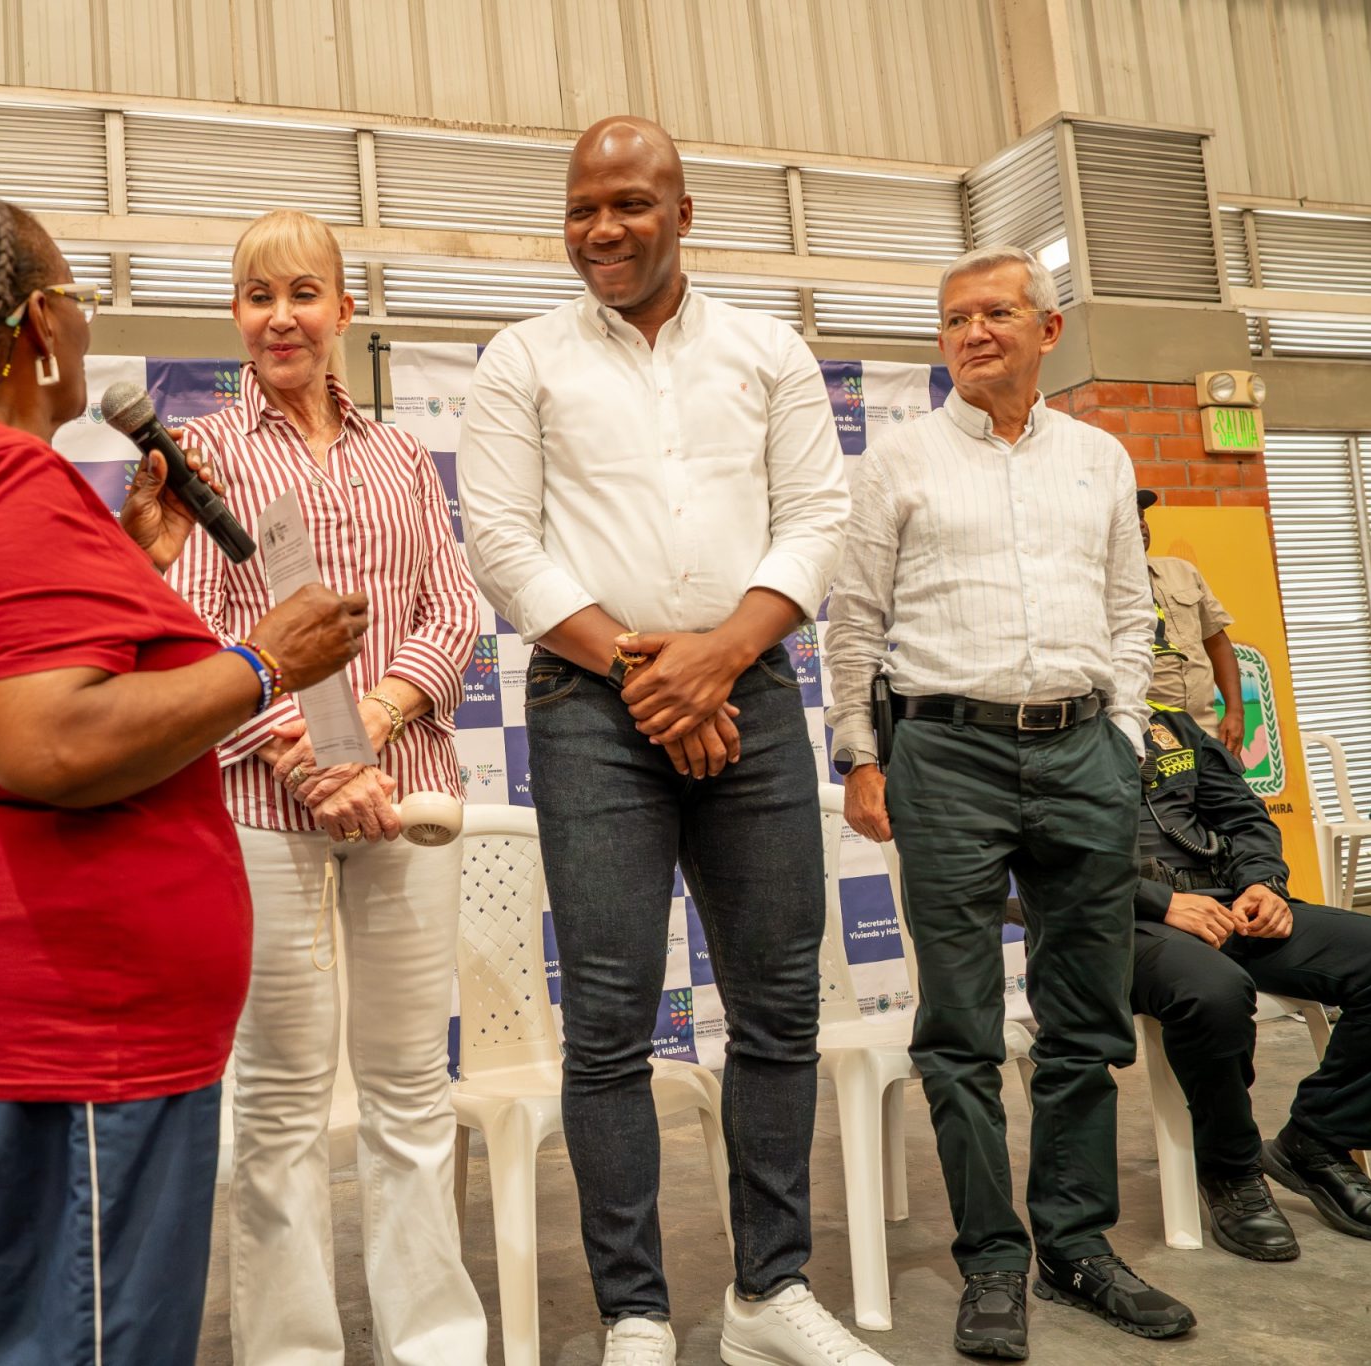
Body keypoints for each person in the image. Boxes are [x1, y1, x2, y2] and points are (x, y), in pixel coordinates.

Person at [0, 190, 369, 1366]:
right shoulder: (3, 477)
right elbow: (47, 742)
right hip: (60, 1017)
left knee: (22, 1329)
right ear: (35, 325)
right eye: (72, 299)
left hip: (8, 1002)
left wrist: (128, 564)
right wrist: (266, 658)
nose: (80, 325)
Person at [459, 116, 884, 1366]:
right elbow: (502, 542)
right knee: (603, 1022)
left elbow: (816, 519)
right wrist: (655, 671)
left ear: (683, 211)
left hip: (743, 690)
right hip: (593, 703)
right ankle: (636, 1314)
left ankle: (766, 1294)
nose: (602, 228)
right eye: (584, 205)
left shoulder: (767, 351)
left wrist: (717, 659)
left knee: (773, 1005)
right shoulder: (519, 359)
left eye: (631, 203)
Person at [825, 244, 1193, 1359]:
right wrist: (856, 752)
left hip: (1084, 750)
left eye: (994, 312)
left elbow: (1130, 611)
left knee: (1084, 1021)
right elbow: (851, 618)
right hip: (945, 755)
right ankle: (992, 1261)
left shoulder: (1096, 456)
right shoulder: (896, 461)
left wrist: (1123, 734)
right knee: (959, 1028)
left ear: (1049, 328)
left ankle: (1076, 1246)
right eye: (952, 319)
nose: (972, 331)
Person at [167, 207, 487, 1365]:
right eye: (257, 296)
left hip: (406, 801)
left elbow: (454, 610)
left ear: (344, 310)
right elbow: (194, 634)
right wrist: (309, 760)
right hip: (263, 808)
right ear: (236, 317)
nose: (280, 317)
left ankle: (434, 1340)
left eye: (303, 293)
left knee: (410, 1090)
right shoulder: (200, 455)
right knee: (281, 1109)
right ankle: (292, 1351)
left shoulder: (400, 454)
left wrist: (383, 722)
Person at [1129, 700, 1371, 1261]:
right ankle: (1231, 1169)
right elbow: (1040, 860)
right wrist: (1158, 902)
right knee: (1216, 991)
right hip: (1119, 923)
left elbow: (1243, 816)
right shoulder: (1032, 735)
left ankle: (1319, 1141)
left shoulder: (1170, 725)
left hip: (1225, 903)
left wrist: (1262, 882)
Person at [1139, 489, 1245, 750]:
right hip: (1150, 734)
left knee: (1235, 792)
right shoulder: (1102, 587)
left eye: (1142, 516)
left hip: (1206, 729)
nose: (1141, 523)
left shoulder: (1182, 571)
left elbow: (1217, 642)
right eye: (1129, 518)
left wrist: (1235, 712)